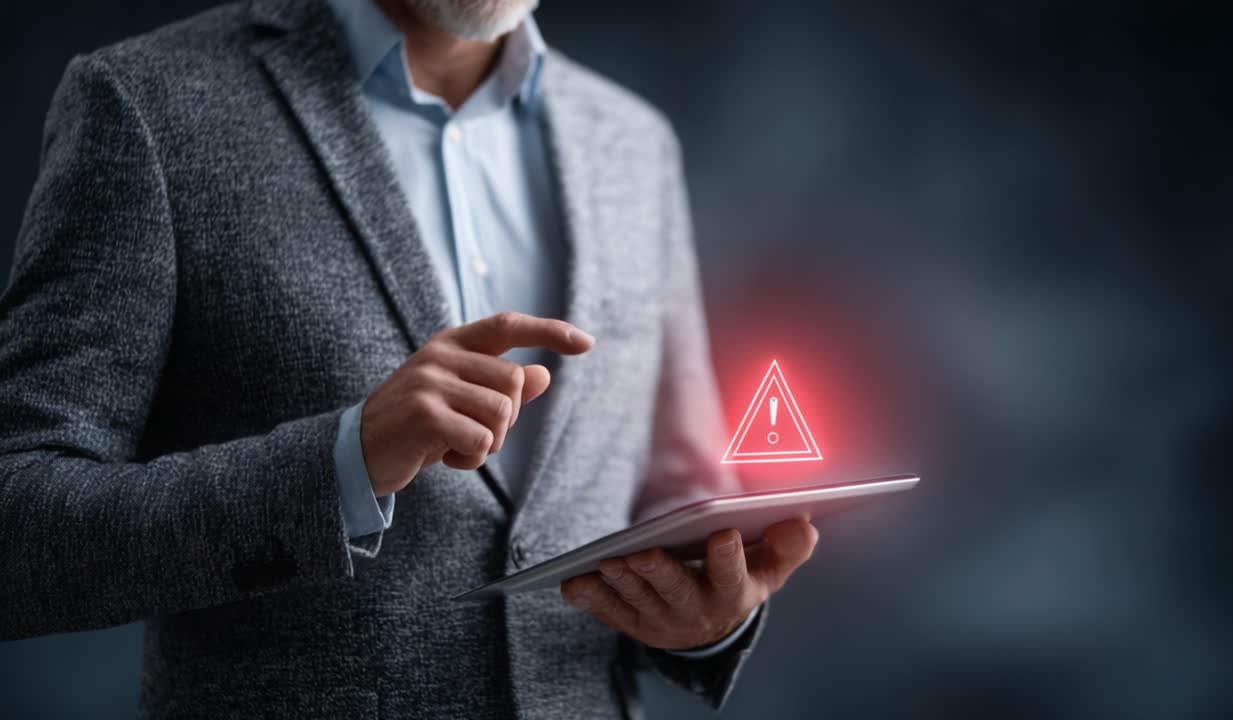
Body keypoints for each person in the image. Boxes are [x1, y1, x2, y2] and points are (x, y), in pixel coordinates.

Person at [0, 0, 819, 716]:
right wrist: (341, 462)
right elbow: (21, 525)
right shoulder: (145, 101)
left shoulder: (635, 143)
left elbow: (679, 490)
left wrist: (715, 621)